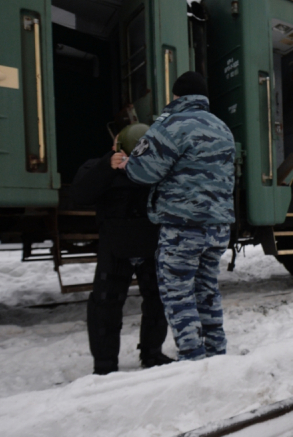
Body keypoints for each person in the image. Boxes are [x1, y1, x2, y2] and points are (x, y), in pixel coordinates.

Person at [117, 72, 236, 362]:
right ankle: (217, 353)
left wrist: (126, 164)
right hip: (218, 228)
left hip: (183, 228)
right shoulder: (223, 128)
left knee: (178, 292)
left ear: (177, 96)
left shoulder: (171, 125)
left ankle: (193, 357)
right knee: (207, 290)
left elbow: (144, 170)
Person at [70, 124, 172, 375]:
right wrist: (107, 165)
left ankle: (152, 353)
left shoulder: (157, 168)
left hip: (149, 245)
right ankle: (105, 364)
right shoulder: (101, 166)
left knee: (157, 302)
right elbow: (80, 194)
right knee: (105, 306)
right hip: (116, 247)